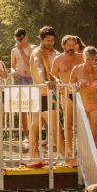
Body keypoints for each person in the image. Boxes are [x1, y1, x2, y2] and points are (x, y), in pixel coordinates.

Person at [50, 36, 86, 153]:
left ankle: (83, 151)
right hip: (66, 94)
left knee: (83, 123)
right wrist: (58, 82)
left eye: (73, 45)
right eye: (68, 45)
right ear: (63, 46)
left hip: (81, 93)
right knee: (68, 124)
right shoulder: (58, 59)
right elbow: (53, 76)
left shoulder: (81, 57)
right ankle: (69, 152)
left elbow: (89, 70)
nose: (71, 48)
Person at [30, 27, 59, 158]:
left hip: (44, 93)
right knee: (55, 126)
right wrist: (46, 81)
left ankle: (35, 156)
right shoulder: (37, 52)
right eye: (48, 40)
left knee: (36, 124)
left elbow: (47, 72)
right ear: (41, 39)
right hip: (41, 93)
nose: (51, 43)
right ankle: (67, 157)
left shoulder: (45, 53)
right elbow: (40, 67)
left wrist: (54, 79)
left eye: (52, 40)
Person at [68, 46, 97, 142]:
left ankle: (95, 152)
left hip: (95, 104)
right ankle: (81, 152)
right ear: (83, 57)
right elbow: (70, 88)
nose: (90, 61)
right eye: (88, 59)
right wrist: (79, 86)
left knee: (94, 135)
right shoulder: (77, 69)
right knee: (83, 135)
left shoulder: (96, 69)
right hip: (82, 104)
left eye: (93, 59)